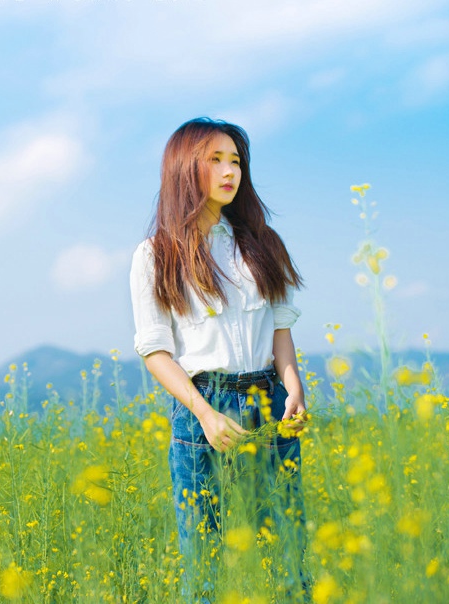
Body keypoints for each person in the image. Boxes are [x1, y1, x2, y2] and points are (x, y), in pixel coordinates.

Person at [129, 117, 310, 601]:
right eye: (215, 160)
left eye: (236, 161)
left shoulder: (262, 245)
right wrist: (204, 413)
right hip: (202, 406)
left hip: (268, 399)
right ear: (185, 169)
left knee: (287, 549)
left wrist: (293, 387)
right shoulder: (155, 255)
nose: (230, 171)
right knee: (204, 556)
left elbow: (280, 329)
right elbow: (155, 350)